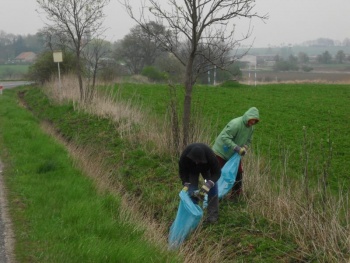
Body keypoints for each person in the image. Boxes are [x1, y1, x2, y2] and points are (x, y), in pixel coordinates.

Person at [212, 107, 260, 198]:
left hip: (233, 154)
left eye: (255, 121)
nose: (252, 122)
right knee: (217, 173)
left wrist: (245, 147)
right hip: (221, 152)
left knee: (238, 172)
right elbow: (225, 137)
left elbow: (249, 140)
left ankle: (235, 195)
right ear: (247, 117)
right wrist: (237, 148)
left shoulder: (251, 128)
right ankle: (210, 193)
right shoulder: (236, 124)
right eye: (252, 120)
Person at [179, 143, 221, 223]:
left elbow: (217, 172)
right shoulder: (185, 156)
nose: (197, 163)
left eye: (199, 161)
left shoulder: (210, 155)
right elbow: (182, 171)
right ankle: (192, 215)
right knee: (191, 191)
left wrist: (209, 183)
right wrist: (186, 183)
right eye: (195, 161)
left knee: (213, 188)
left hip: (207, 169)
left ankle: (212, 216)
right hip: (192, 171)